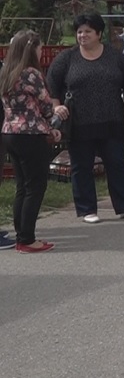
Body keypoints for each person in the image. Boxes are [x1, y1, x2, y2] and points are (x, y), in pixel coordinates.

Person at [47, 12, 124, 224]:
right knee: (81, 166)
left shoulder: (115, 57)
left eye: (87, 31)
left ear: (99, 34)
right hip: (79, 122)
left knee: (117, 163)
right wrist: (56, 106)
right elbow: (52, 84)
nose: (82, 35)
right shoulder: (67, 58)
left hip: (112, 119)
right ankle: (86, 209)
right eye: (79, 32)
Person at [2, 30, 61, 252]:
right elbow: (46, 105)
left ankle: (21, 234)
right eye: (39, 48)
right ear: (32, 49)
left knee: (22, 186)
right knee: (35, 186)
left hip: (10, 131)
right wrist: (53, 123)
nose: (41, 51)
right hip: (30, 133)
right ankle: (27, 239)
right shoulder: (31, 74)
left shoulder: (7, 71)